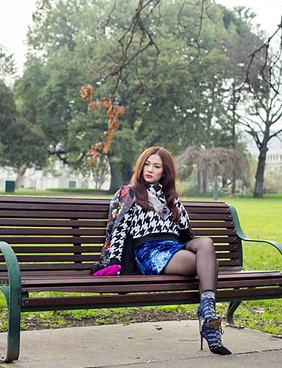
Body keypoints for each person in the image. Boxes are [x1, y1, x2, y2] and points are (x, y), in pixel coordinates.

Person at [91, 146, 231, 355]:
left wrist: (172, 202)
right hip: (150, 251)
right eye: (147, 164)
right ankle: (209, 320)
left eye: (156, 166)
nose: (150, 170)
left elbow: (184, 228)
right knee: (210, 265)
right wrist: (114, 261)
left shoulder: (169, 196)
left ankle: (208, 311)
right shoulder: (129, 193)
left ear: (164, 172)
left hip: (173, 246)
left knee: (206, 244)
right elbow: (118, 228)